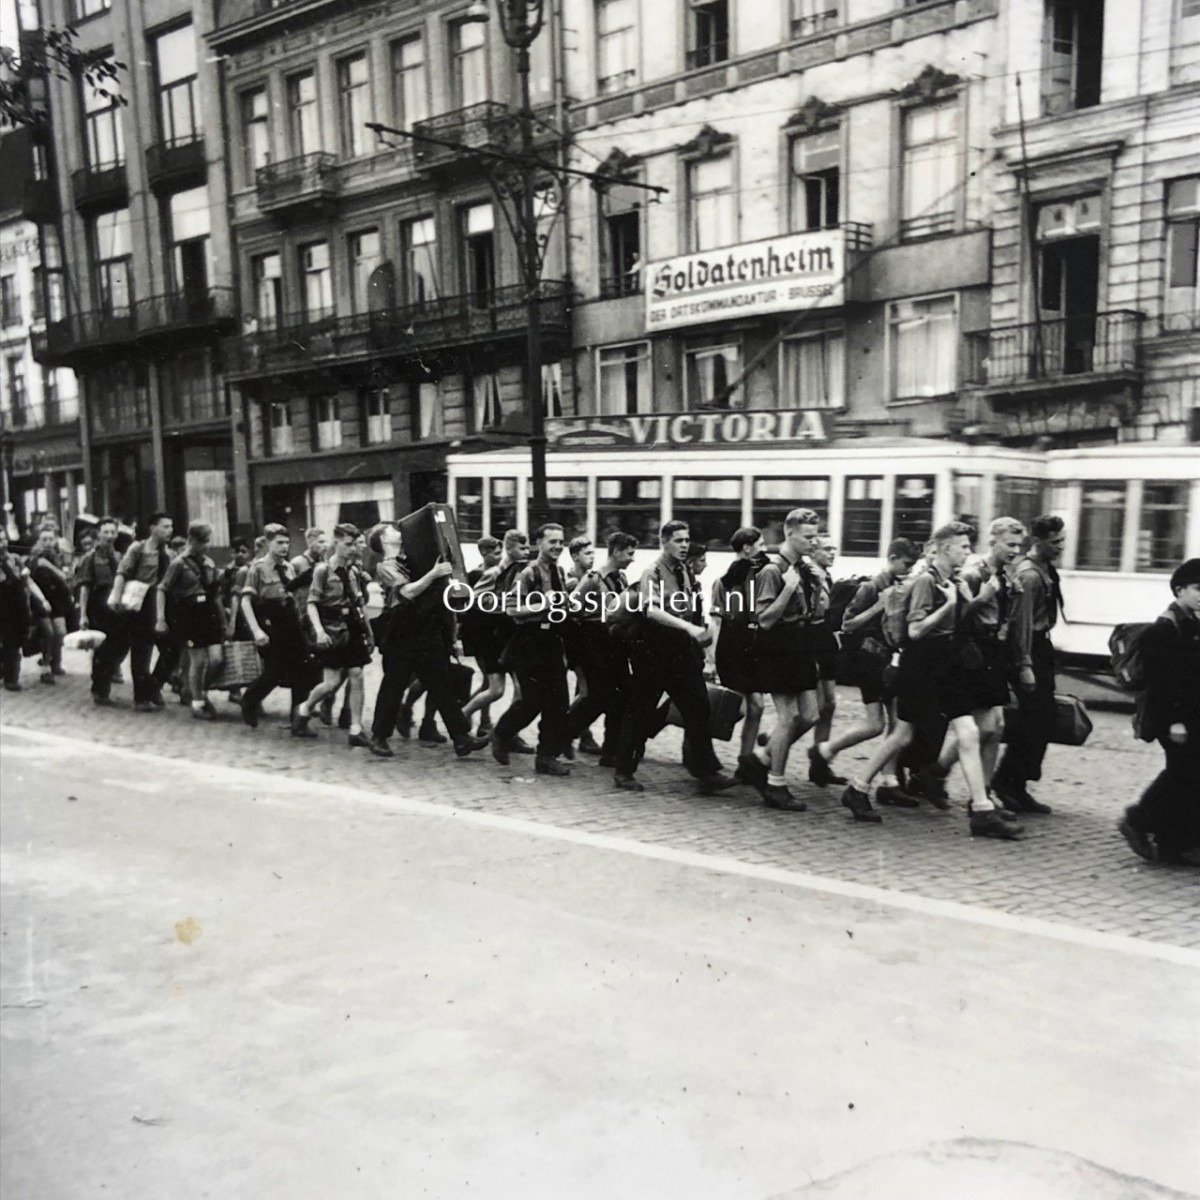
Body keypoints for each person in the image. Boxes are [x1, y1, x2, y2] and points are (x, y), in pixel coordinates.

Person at [840, 522, 1021, 840]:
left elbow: (957, 625)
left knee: (965, 733)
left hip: (946, 666)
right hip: (921, 668)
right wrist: (951, 604)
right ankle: (858, 787)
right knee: (903, 736)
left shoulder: (954, 581)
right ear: (945, 549)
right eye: (963, 547)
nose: (968, 552)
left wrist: (967, 601)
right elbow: (915, 631)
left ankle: (981, 810)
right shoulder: (926, 581)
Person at [611, 520, 736, 796]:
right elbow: (651, 610)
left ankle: (705, 770)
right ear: (664, 542)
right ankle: (623, 769)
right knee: (641, 710)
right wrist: (689, 628)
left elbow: (691, 608)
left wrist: (698, 637)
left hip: (682, 651)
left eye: (686, 540)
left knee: (699, 708)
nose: (684, 545)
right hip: (654, 649)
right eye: (678, 540)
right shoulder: (652, 572)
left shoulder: (685, 573)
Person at [813, 538, 919, 806]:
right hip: (869, 660)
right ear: (892, 558)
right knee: (876, 724)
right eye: (906, 564)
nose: (909, 569)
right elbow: (848, 624)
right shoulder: (871, 586)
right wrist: (879, 606)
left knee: (896, 724)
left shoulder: (903, 584)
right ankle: (825, 750)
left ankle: (889, 782)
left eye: (913, 565)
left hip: (889, 660)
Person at [369, 523, 488, 759]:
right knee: (394, 685)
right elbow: (406, 593)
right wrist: (434, 573)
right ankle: (379, 737)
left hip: (424, 628)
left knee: (440, 683)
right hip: (401, 629)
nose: (397, 529)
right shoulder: (385, 566)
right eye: (391, 529)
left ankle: (461, 738)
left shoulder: (408, 560)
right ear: (383, 539)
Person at [931, 517, 1026, 802]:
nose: (1015, 550)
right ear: (992, 542)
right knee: (983, 728)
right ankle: (939, 773)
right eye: (1009, 544)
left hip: (994, 652)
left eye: (1019, 545)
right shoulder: (975, 574)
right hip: (975, 653)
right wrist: (982, 599)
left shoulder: (1006, 574)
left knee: (997, 728)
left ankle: (980, 793)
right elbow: (956, 617)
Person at [1118, 559, 1200, 865]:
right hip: (1173, 718)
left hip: (1191, 716)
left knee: (1189, 776)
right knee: (1183, 774)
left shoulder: (1191, 621)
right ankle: (1138, 819)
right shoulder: (1165, 628)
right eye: (1197, 589)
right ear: (1180, 590)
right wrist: (1176, 722)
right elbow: (1163, 684)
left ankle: (1174, 842)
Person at [991, 514, 1068, 816]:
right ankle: (1007, 783)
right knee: (1032, 720)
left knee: (1042, 719)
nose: (1060, 546)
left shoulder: (1044, 569)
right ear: (1037, 542)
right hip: (1030, 648)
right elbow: (1019, 624)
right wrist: (1025, 665)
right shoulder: (1030, 575)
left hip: (1041, 646)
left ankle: (1018, 783)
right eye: (1055, 542)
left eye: (1062, 540)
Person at [751, 508, 824, 812]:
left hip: (800, 645)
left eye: (815, 535)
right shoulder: (772, 570)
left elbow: (815, 612)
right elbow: (764, 619)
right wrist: (789, 588)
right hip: (778, 646)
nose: (814, 541)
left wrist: (817, 587)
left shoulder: (804, 569)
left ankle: (759, 760)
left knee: (810, 715)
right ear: (789, 532)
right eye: (808, 536)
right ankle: (775, 784)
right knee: (789, 718)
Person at [491, 523, 572, 777]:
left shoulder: (559, 572)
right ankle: (502, 733)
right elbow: (512, 610)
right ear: (539, 544)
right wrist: (542, 606)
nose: (558, 546)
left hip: (552, 642)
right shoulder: (527, 573)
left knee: (559, 702)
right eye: (552, 542)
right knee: (533, 700)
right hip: (529, 642)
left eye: (561, 541)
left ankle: (546, 757)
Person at [291, 524, 374, 746]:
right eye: (347, 544)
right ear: (335, 544)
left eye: (354, 544)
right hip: (332, 630)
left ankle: (356, 729)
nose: (352, 549)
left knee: (357, 675)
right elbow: (311, 604)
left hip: (352, 629)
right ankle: (305, 708)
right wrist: (318, 631)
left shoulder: (353, 572)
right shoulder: (322, 570)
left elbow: (359, 603)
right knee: (331, 683)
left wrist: (369, 631)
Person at [561, 530, 637, 767]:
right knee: (598, 696)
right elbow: (572, 610)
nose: (632, 558)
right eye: (629, 553)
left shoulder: (622, 580)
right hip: (593, 641)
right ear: (616, 552)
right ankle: (562, 736)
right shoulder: (593, 579)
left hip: (616, 642)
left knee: (622, 695)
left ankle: (611, 751)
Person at [709, 527, 767, 786]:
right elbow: (718, 622)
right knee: (735, 708)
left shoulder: (760, 575)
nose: (765, 549)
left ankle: (746, 762)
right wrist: (710, 659)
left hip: (752, 649)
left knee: (756, 706)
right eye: (761, 544)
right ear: (747, 547)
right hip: (731, 650)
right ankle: (698, 748)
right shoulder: (724, 581)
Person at [462, 529, 530, 742]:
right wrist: (498, 605)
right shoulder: (493, 574)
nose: (527, 551)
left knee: (521, 689)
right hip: (493, 637)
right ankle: (460, 718)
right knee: (496, 690)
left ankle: (509, 733)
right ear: (509, 549)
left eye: (527, 547)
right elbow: (472, 601)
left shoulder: (523, 572)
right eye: (522, 548)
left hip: (512, 636)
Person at [238, 525, 308, 728]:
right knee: (274, 672)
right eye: (279, 542)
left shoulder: (289, 567)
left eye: (287, 542)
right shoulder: (258, 568)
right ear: (268, 543)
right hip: (271, 621)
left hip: (291, 621)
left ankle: (298, 720)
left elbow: (294, 596)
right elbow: (246, 601)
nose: (284, 546)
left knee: (301, 671)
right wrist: (257, 631)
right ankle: (250, 700)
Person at [157, 521, 226, 721]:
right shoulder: (179, 563)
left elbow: (216, 595)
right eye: (204, 542)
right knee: (198, 661)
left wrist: (223, 620)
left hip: (209, 614)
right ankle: (197, 703)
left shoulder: (209, 563)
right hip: (189, 615)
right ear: (192, 540)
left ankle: (199, 690)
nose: (207, 546)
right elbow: (162, 589)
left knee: (217, 659)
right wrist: (161, 618)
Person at [111, 511, 174, 712]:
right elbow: (122, 572)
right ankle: (141, 697)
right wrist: (116, 597)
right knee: (142, 652)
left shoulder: (170, 554)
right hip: (142, 605)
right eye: (165, 526)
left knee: (171, 650)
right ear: (153, 528)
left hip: (163, 603)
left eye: (171, 527)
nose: (169, 531)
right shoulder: (138, 548)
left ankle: (153, 686)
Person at [803, 535, 845, 785]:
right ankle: (773, 743)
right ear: (813, 551)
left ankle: (819, 763)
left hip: (826, 641)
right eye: (827, 549)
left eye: (834, 548)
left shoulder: (826, 576)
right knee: (813, 709)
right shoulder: (810, 575)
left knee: (829, 705)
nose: (832, 553)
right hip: (813, 642)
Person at [77, 516, 129, 706]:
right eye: (105, 532)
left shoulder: (119, 557)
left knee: (121, 645)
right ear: (98, 534)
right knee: (103, 649)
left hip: (117, 607)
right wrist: (83, 615)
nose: (109, 536)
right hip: (98, 607)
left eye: (113, 532)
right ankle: (100, 689)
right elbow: (84, 587)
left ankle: (104, 678)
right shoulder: (90, 558)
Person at [0, 529, 40, 691]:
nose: (2, 543)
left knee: (14, 641)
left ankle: (11, 678)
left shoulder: (15, 559)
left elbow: (25, 579)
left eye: (3, 539)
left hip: (15, 605)